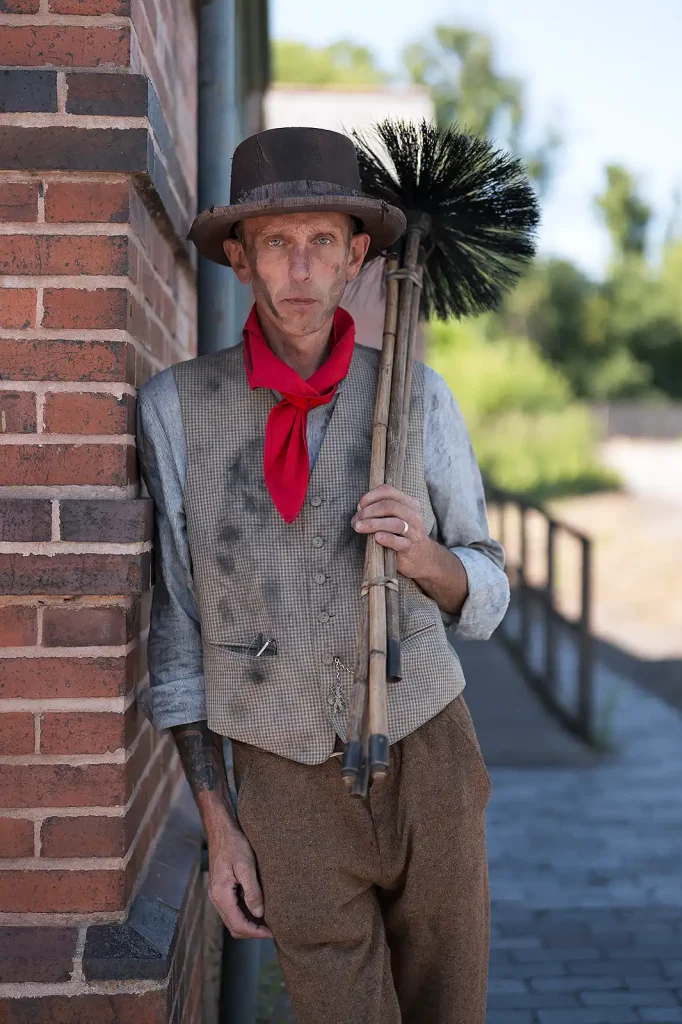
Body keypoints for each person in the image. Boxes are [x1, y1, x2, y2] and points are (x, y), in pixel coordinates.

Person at [136, 126, 510, 1024]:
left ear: (355, 262)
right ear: (240, 259)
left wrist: (423, 559)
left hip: (430, 754)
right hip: (281, 779)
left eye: (321, 244)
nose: (299, 268)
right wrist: (219, 825)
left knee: (447, 1011)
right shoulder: (174, 409)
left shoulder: (416, 396)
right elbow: (179, 629)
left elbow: (488, 589)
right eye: (276, 244)